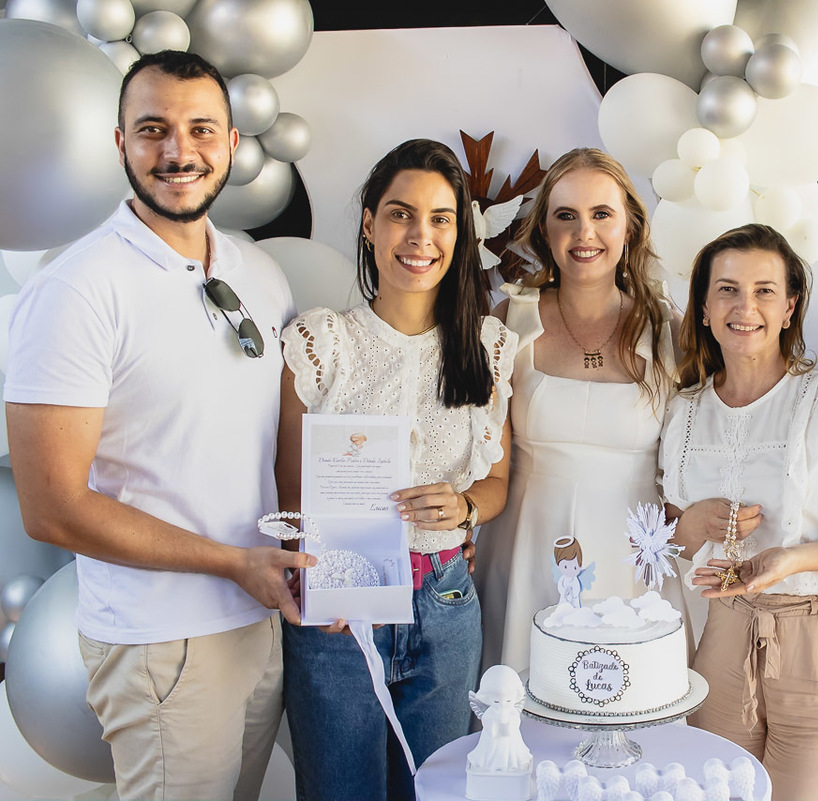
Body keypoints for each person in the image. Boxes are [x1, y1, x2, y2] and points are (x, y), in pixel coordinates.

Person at [3, 51, 305, 801]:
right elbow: (51, 507)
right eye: (153, 129)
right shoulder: (77, 289)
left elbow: (272, 444)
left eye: (201, 128)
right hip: (161, 639)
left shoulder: (257, 274)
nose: (179, 151)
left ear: (232, 145)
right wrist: (234, 563)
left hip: (257, 619)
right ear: (119, 144)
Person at [275, 138, 515, 801]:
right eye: (401, 213)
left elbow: (497, 484)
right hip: (339, 613)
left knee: (435, 790)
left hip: (444, 602)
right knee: (340, 790)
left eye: (440, 218)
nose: (421, 235)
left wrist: (465, 508)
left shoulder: (488, 349)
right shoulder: (322, 344)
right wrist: (309, 572)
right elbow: (289, 490)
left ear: (459, 234)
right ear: (369, 223)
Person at [660, 223, 818, 797]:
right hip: (724, 636)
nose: (745, 307)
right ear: (702, 306)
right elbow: (668, 530)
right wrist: (690, 525)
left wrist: (790, 561)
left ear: (791, 306)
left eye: (765, 290)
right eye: (727, 289)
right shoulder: (683, 413)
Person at [476, 148, 688, 673]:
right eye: (565, 216)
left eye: (601, 214)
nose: (584, 233)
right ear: (545, 231)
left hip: (633, 562)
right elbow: (475, 449)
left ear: (630, 228)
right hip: (525, 547)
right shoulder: (510, 318)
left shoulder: (670, 329)